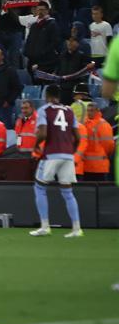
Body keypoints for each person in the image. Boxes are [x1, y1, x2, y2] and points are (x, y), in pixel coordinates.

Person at [30, 85, 82, 238]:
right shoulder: (69, 110)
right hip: (68, 155)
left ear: (46, 96)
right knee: (67, 191)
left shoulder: (44, 110)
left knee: (39, 187)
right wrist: (72, 150)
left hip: (52, 154)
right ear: (59, 96)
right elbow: (78, 137)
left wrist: (35, 145)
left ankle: (45, 226)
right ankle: (77, 228)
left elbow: (43, 133)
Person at [75, 102, 113, 182]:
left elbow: (108, 145)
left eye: (91, 110)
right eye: (88, 110)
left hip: (99, 167)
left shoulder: (103, 125)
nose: (89, 113)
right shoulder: (84, 123)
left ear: (97, 111)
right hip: (87, 167)